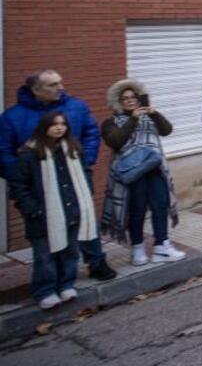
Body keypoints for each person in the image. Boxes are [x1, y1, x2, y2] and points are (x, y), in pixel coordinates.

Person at [0, 70, 116, 281]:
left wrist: (85, 160)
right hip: (42, 186)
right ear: (35, 90)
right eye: (52, 85)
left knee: (85, 220)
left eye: (60, 83)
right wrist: (22, 179)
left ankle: (96, 261)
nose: (60, 88)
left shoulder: (76, 107)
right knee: (46, 232)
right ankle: (53, 279)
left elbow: (91, 133)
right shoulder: (13, 117)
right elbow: (3, 151)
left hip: (75, 178)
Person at [9, 111, 98, 309]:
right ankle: (45, 290)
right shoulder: (30, 154)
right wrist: (33, 209)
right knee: (45, 256)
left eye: (63, 124)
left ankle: (66, 285)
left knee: (70, 252)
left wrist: (86, 194)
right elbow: (18, 185)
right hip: (43, 216)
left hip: (73, 210)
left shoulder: (73, 149)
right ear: (44, 127)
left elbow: (86, 172)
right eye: (54, 124)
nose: (59, 128)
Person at [99, 80, 183, 266]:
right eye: (125, 98)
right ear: (118, 102)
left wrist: (153, 113)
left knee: (160, 205)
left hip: (155, 170)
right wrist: (133, 119)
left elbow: (167, 130)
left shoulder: (149, 117)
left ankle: (162, 246)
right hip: (131, 174)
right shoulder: (111, 122)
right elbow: (115, 142)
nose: (130, 101)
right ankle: (137, 248)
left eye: (133, 97)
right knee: (136, 210)